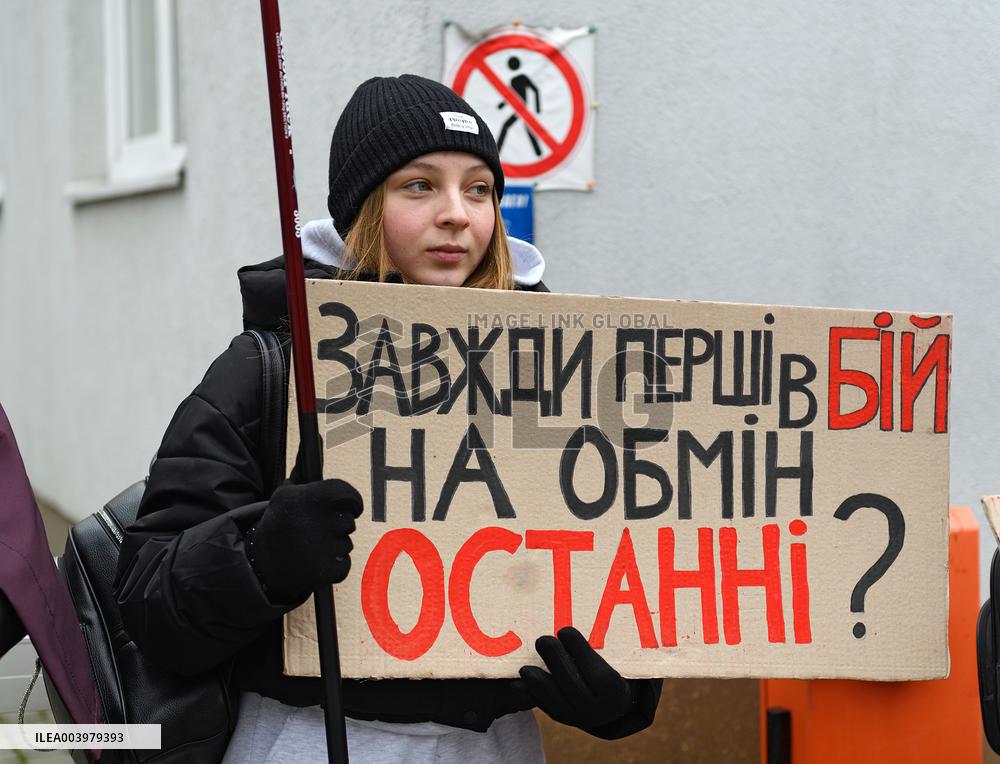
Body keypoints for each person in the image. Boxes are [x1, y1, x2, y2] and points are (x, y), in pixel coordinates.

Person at [113, 74, 661, 763]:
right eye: (419, 185)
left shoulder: (555, 372)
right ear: (364, 211)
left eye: (479, 190)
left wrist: (623, 694)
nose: (457, 213)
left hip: (497, 747)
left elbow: (616, 562)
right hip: (309, 741)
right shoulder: (271, 369)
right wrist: (258, 558)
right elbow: (148, 602)